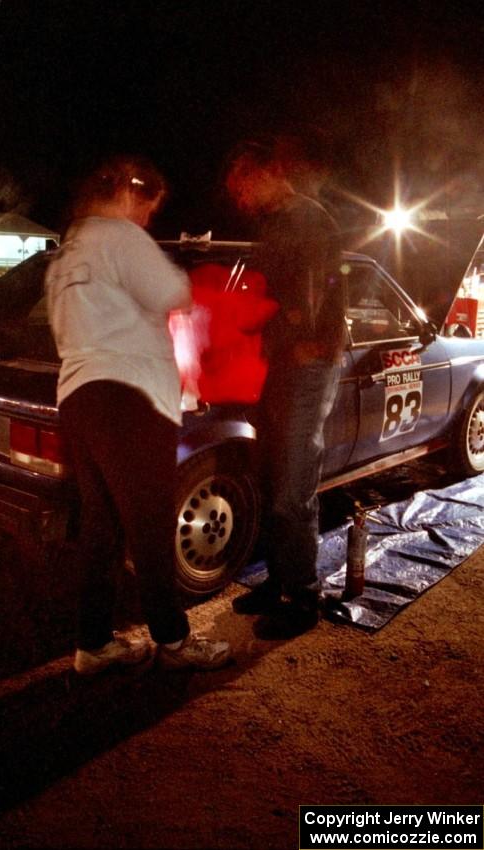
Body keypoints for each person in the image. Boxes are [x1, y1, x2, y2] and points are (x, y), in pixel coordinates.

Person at [45, 153, 231, 674]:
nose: (148, 220)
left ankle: (93, 643)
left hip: (79, 394)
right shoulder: (120, 236)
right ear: (132, 194)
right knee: (149, 523)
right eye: (149, 209)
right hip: (131, 394)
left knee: (102, 527)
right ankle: (173, 642)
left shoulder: (69, 249)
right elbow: (173, 293)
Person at [225, 134, 345, 639]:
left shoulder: (306, 218)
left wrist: (308, 339)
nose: (239, 197)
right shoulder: (276, 223)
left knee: (293, 486)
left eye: (243, 184)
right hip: (279, 367)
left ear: (269, 173)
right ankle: (278, 581)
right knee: (275, 481)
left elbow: (315, 289)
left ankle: (303, 597)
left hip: (306, 364)